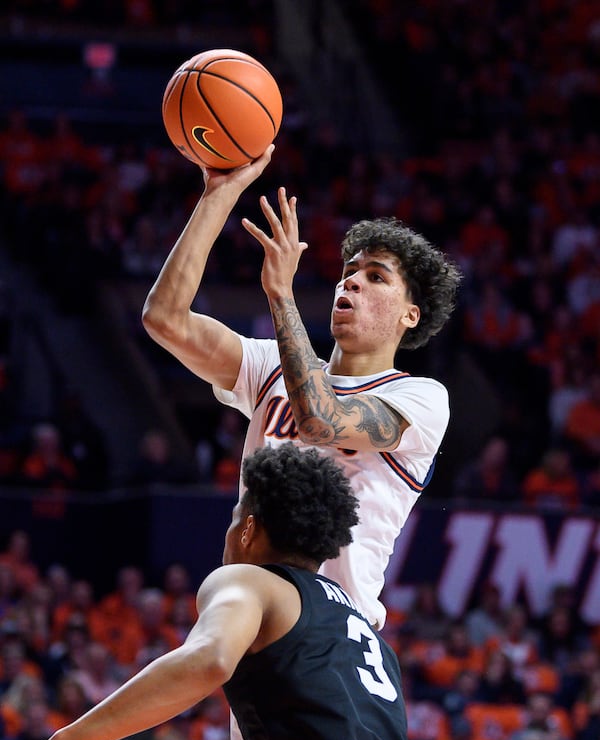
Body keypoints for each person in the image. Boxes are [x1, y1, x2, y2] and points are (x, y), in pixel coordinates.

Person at [142, 145, 462, 631]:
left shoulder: (419, 398)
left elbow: (320, 419)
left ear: (409, 315)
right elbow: (164, 318)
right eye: (348, 272)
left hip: (334, 633)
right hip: (253, 624)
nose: (350, 283)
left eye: (375, 278)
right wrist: (218, 194)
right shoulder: (272, 366)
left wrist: (281, 294)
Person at [40, 443, 408, 740]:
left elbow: (210, 659)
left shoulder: (250, 581)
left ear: (248, 528)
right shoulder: (362, 629)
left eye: (234, 518)